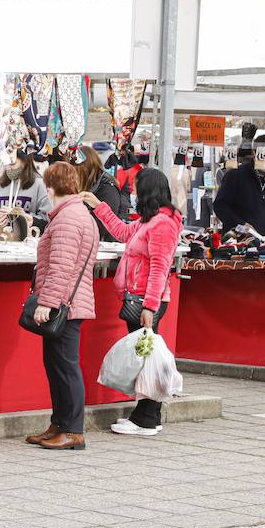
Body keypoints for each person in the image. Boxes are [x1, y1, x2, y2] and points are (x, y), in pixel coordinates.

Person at [83, 167, 182, 437]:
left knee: (146, 358)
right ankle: (150, 415)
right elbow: (123, 232)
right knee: (145, 356)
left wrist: (150, 307)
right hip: (139, 297)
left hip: (144, 300)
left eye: (137, 187)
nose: (133, 192)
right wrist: (99, 206)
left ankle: (146, 418)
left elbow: (160, 268)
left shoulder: (162, 224)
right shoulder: (151, 221)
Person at [25, 162, 100, 452]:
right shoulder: (77, 214)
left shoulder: (68, 219)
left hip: (65, 304)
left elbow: (61, 267)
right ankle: (60, 423)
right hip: (71, 302)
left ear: (51, 187)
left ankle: (73, 430)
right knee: (57, 365)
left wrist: (47, 302)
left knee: (65, 367)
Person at [213, 136, 265, 235]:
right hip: (238, 239)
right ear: (253, 154)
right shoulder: (235, 175)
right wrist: (240, 225)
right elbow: (220, 206)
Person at [0, 149, 52, 225]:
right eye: (5, 163)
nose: (8, 168)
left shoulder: (39, 185)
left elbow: (47, 219)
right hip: (0, 234)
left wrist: (25, 219)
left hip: (27, 235)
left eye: (12, 164)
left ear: (25, 161)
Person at [73, 145, 129, 240]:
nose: (73, 175)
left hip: (105, 246)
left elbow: (103, 227)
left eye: (75, 170)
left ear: (84, 168)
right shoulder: (89, 185)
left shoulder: (108, 189)